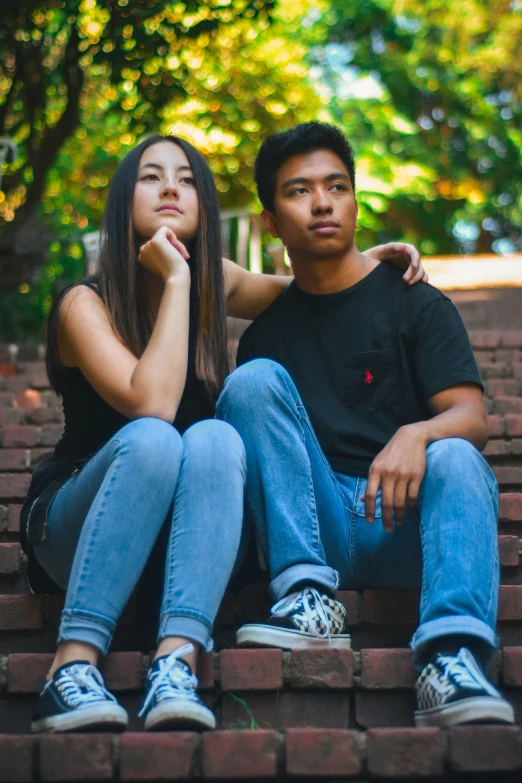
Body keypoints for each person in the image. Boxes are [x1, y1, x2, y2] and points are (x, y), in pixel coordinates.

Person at [20, 133, 425, 734]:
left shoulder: (218, 281)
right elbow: (151, 406)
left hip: (183, 534)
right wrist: (178, 285)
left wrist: (368, 264)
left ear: (203, 205)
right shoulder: (85, 304)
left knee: (217, 439)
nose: (170, 189)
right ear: (122, 200)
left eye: (185, 180)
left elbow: (314, 289)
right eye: (151, 176)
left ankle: (175, 664)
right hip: (81, 523)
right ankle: (72, 668)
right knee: (160, 440)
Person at [217, 122, 515, 728]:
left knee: (457, 455)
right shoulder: (266, 335)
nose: (322, 202)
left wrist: (417, 433)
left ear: (354, 199)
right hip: (314, 522)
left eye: (336, 186)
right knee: (248, 383)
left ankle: (449, 659)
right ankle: (305, 597)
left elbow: (471, 418)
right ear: (270, 221)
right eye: (298, 191)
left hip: (403, 522)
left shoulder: (413, 300)